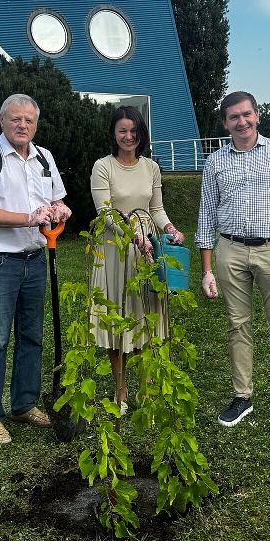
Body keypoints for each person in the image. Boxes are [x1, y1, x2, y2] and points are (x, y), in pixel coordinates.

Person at [0, 93, 72, 445]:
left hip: (34, 260)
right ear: (2, 120)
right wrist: (28, 218)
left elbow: (55, 199)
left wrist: (60, 209)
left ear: (36, 125)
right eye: (16, 119)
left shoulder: (44, 157)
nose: (23, 125)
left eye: (29, 120)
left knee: (31, 337)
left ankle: (24, 404)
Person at [197, 91, 270, 432]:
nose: (241, 121)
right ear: (225, 123)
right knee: (237, 324)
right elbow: (206, 215)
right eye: (234, 117)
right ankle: (242, 396)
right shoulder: (215, 162)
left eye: (246, 114)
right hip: (230, 251)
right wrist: (206, 270)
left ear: (257, 115)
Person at [90, 106, 185, 415]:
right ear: (113, 134)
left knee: (145, 318)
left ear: (141, 134)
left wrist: (169, 229)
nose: (128, 136)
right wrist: (133, 236)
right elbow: (105, 213)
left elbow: (156, 209)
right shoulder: (102, 166)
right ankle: (121, 389)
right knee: (117, 321)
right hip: (116, 251)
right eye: (122, 130)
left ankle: (145, 387)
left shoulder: (151, 167)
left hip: (147, 254)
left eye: (134, 130)